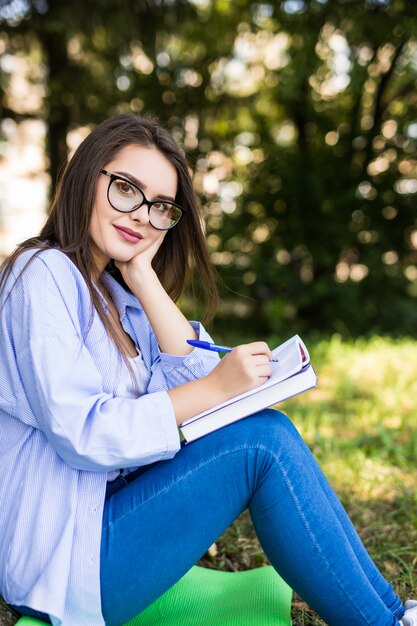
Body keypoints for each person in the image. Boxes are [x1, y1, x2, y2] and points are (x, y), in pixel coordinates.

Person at [0, 113, 415, 626]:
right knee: (263, 444)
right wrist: (217, 385)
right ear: (88, 176)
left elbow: (192, 374)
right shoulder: (42, 275)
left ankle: (393, 615)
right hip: (63, 560)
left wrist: (141, 275)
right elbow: (84, 431)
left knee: (267, 432)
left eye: (159, 208)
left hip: (104, 526)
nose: (140, 216)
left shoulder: (115, 296)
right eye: (126, 189)